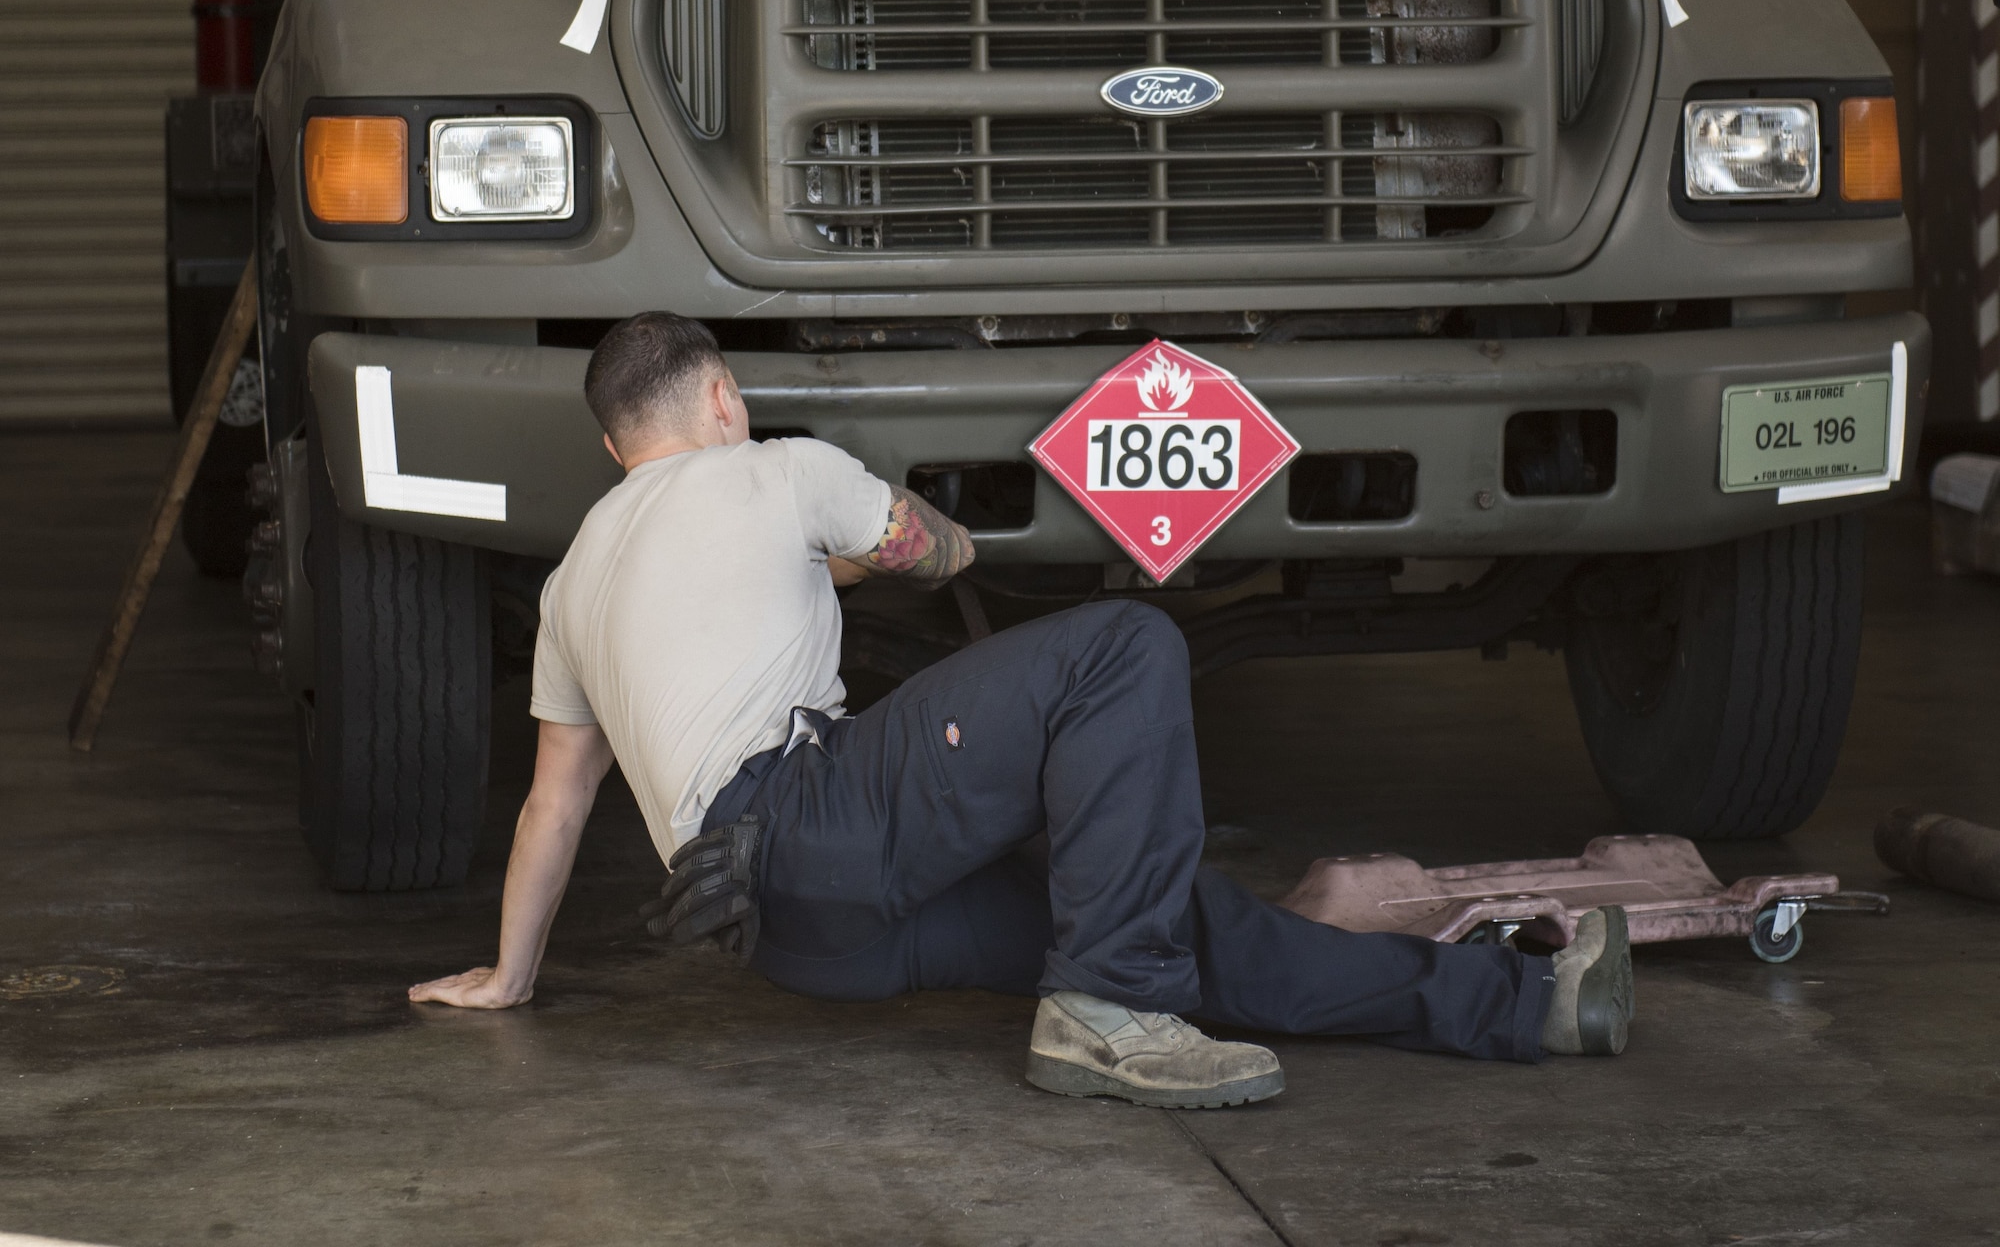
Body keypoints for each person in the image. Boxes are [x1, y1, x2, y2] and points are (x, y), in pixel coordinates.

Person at [411, 312, 1634, 1104]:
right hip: (816, 817)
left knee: (1159, 918)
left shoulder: (576, 575)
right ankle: (1105, 1008)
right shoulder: (773, 468)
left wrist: (512, 975)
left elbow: (553, 805)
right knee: (1120, 648)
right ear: (720, 395)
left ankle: (1530, 1007)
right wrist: (846, 544)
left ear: (615, 439)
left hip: (785, 938)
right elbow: (935, 554)